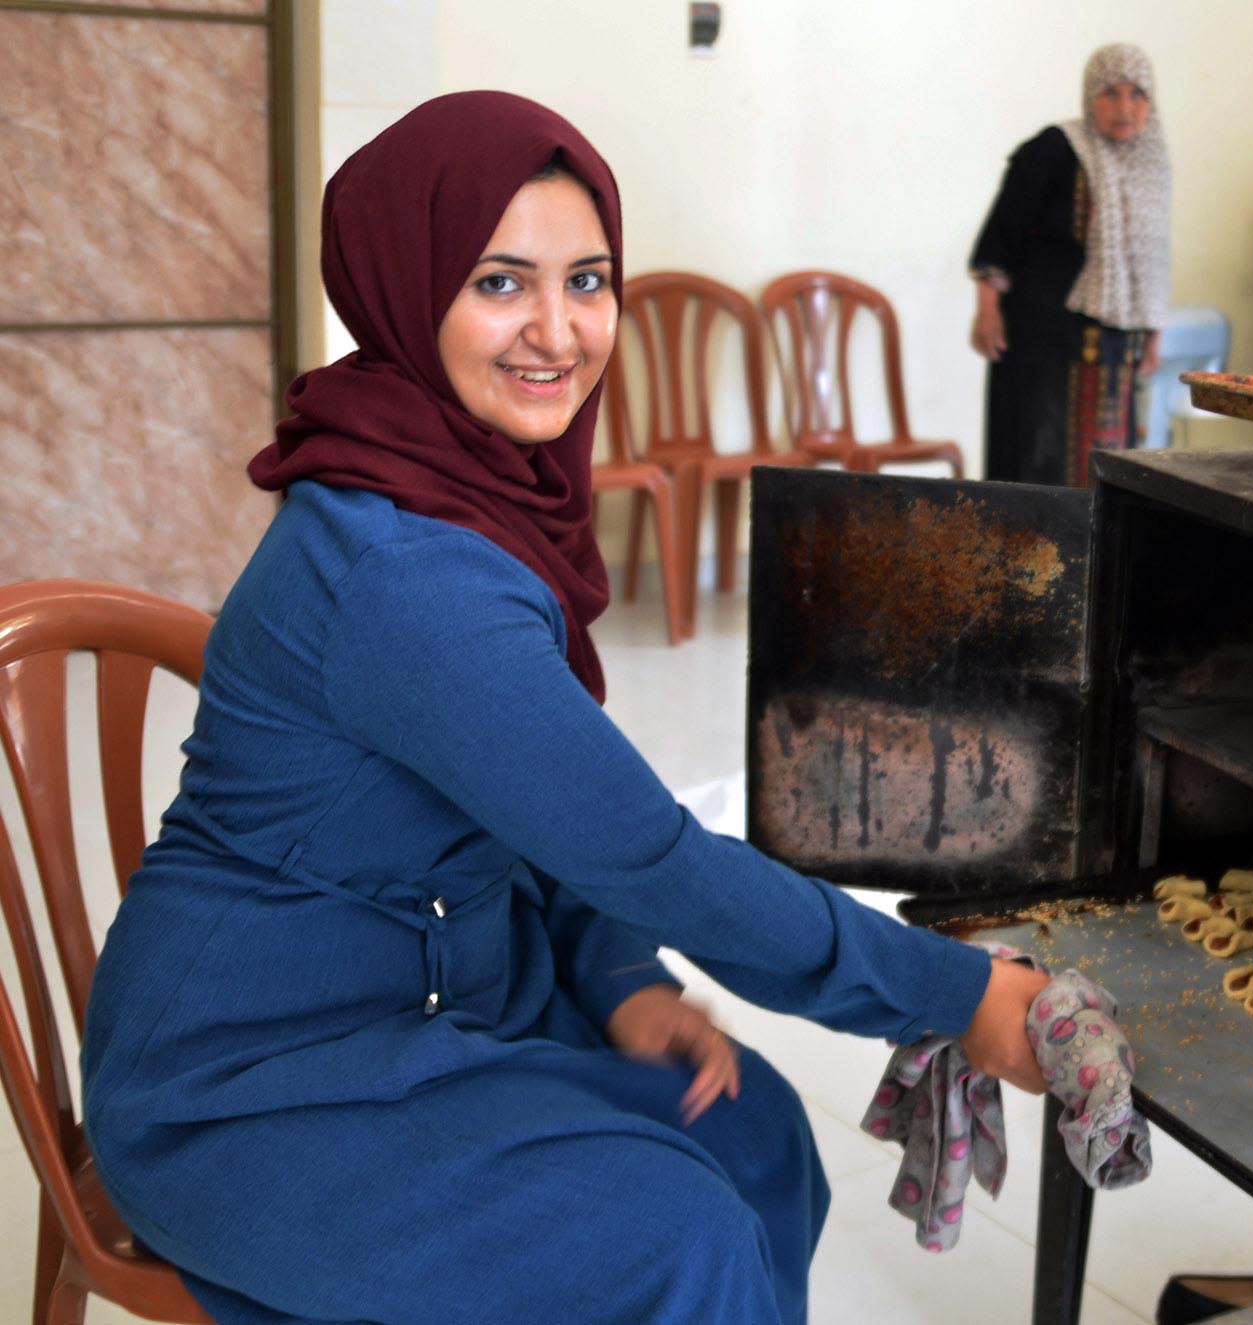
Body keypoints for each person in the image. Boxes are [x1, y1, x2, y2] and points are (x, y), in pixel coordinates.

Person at [80, 91, 1050, 1325]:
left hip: (441, 1002)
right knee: (670, 1238)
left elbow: (538, 810)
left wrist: (614, 973)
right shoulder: (400, 569)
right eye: (498, 282)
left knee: (756, 1138)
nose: (557, 330)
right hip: (248, 1080)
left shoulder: (471, 490)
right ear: (402, 286)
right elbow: (647, 851)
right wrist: (954, 992)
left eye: (586, 279)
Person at [969, 43, 1172, 487]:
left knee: (1108, 467)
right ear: (1089, 97)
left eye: (1137, 94)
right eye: (1110, 93)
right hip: (1043, 339)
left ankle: (1094, 557)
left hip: (1116, 348)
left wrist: (1152, 334)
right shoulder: (1055, 149)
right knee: (1037, 457)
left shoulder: (1151, 163)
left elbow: (1153, 260)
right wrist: (987, 310)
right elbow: (1002, 235)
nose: (1124, 108)